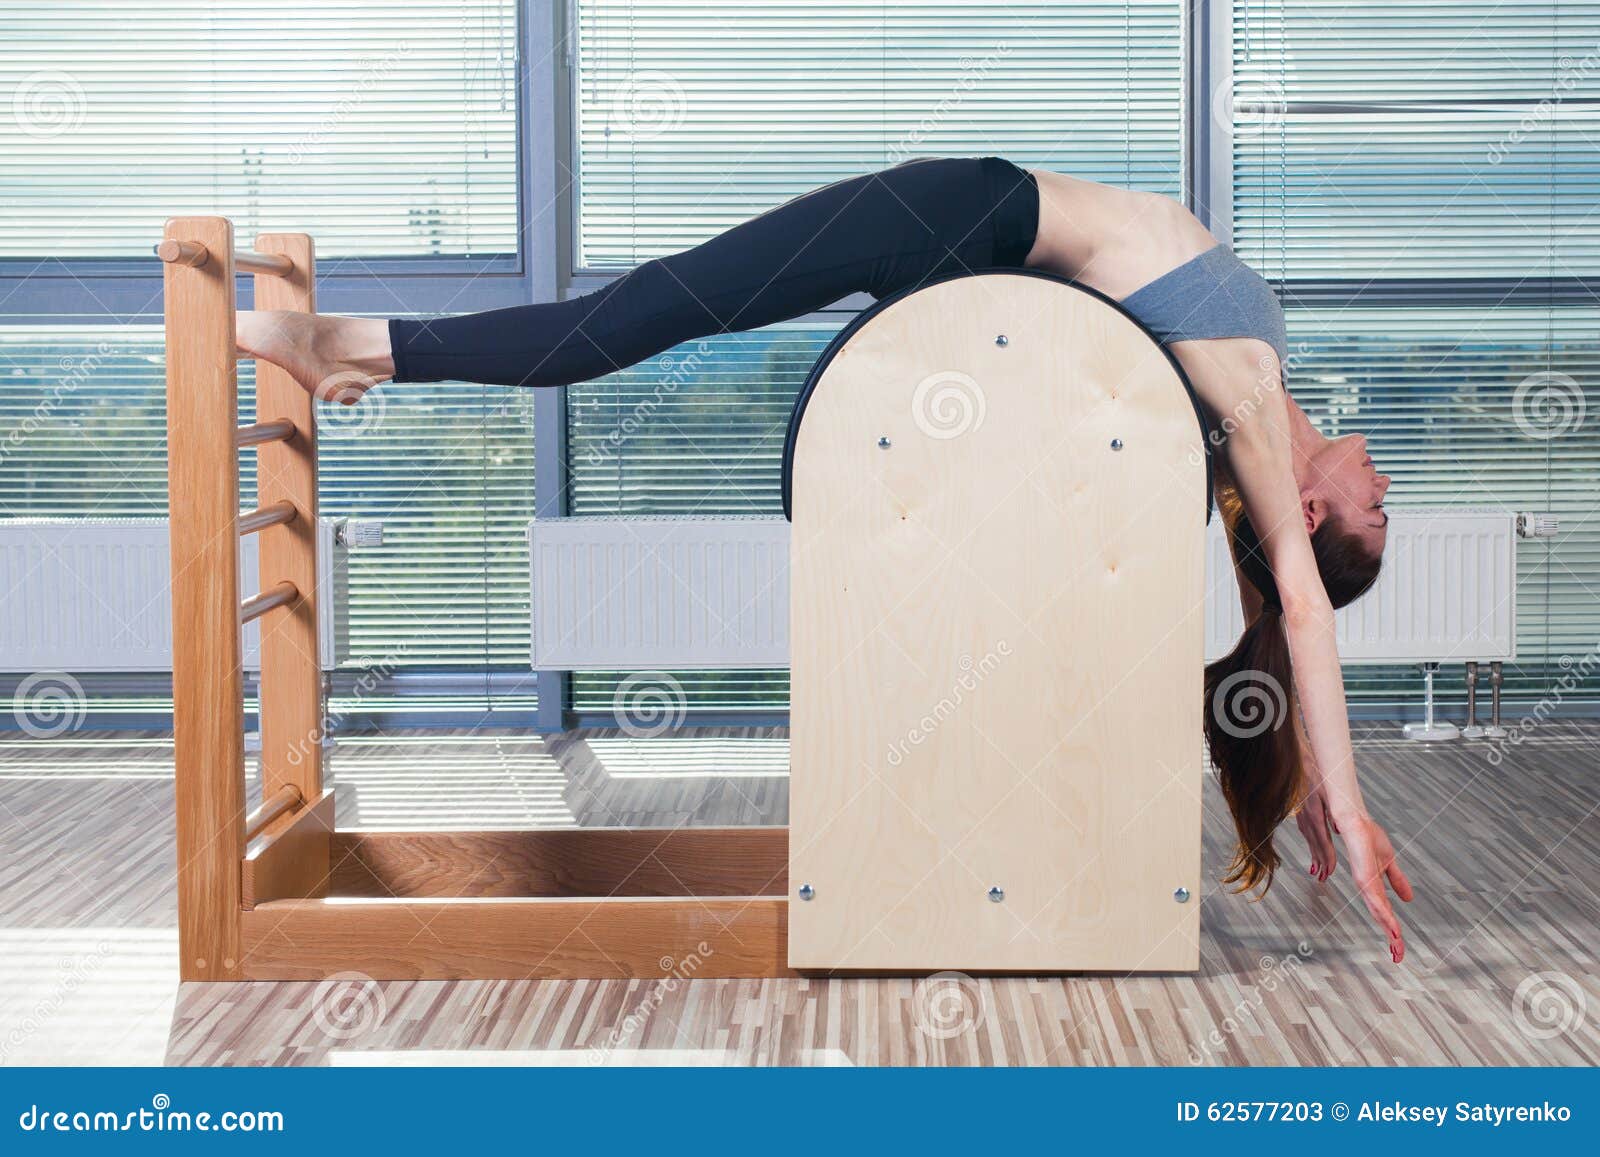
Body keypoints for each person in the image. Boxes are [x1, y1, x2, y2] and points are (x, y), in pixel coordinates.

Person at [237, 155, 1412, 962]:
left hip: (963, 215)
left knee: (656, 303)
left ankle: (357, 348)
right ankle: (365, 351)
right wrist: (1302, 773)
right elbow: (1281, 602)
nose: (1386, 488)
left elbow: (1299, 611)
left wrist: (1349, 809)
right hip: (978, 243)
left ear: (1310, 509)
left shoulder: (1251, 398)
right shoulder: (1235, 441)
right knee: (660, 305)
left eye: (1376, 514)